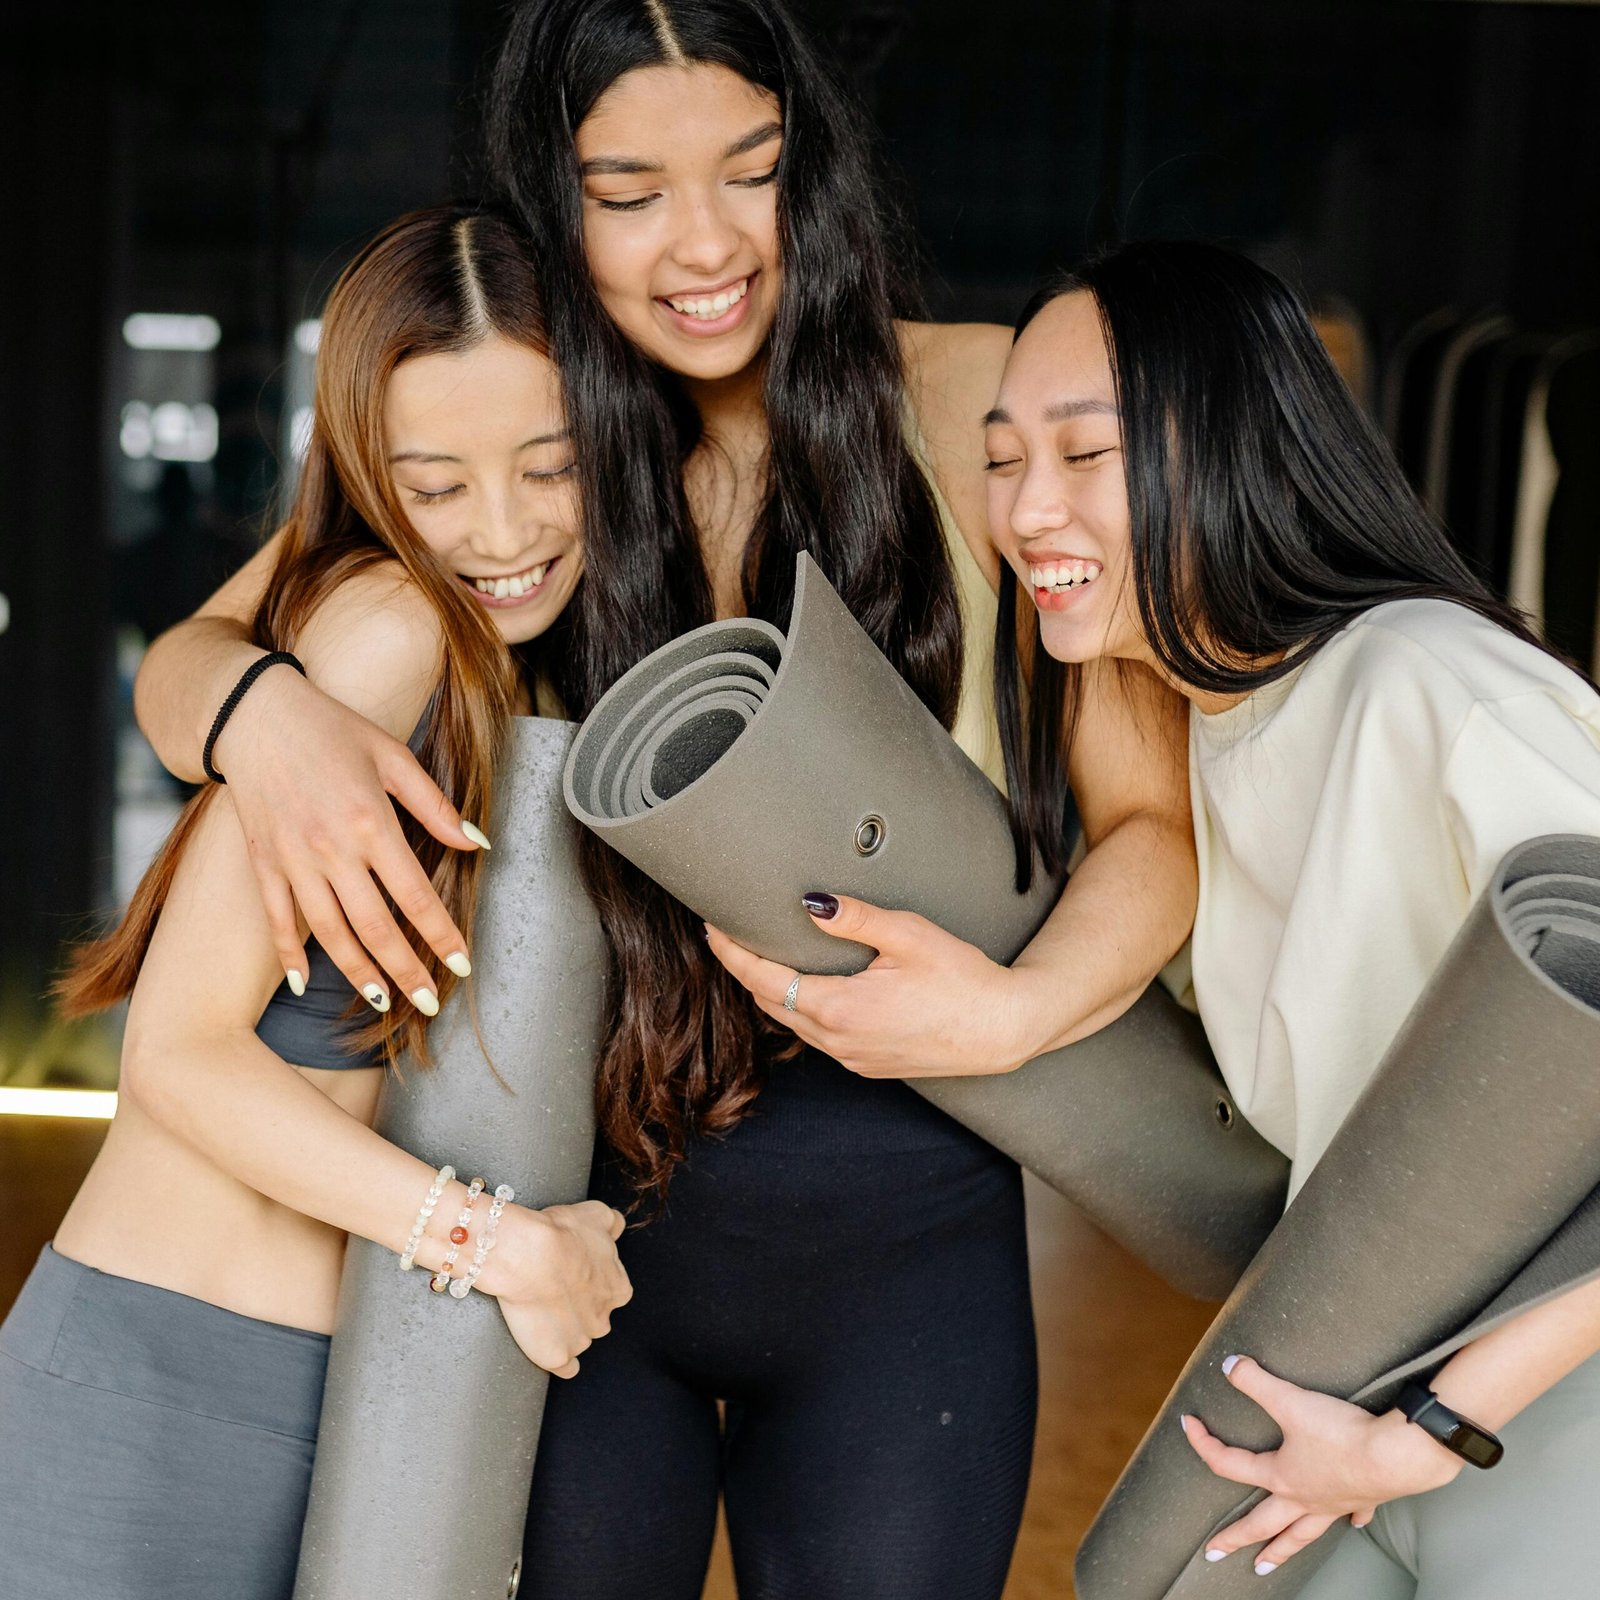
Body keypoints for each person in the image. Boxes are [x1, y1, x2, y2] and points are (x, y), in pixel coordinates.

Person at [132, 5, 1195, 1595]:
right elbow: (195, 657)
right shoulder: (526, 442)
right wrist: (264, 721)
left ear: (811, 171)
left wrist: (1016, 1014)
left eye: (750, 172)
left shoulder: (971, 405)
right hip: (585, 1231)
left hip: (908, 1247)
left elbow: (1153, 833)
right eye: (627, 194)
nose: (703, 245)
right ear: (553, 206)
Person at [0, 205, 631, 1600]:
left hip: (320, 1392)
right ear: (368, 475)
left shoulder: (503, 656)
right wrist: (501, 1246)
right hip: (155, 1389)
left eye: (550, 465)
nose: (507, 530)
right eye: (439, 485)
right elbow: (178, 1055)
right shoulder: (389, 627)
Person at [984, 237, 1600, 1597]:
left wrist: (1440, 1429)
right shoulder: (1219, 730)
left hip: (1546, 1408)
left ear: (1233, 449)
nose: (1029, 509)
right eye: (1003, 457)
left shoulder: (1431, 687)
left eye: (1086, 457)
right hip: (1369, 1393)